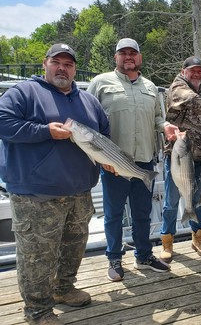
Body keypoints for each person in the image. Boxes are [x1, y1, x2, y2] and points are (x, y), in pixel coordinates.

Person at [0, 44, 109, 325]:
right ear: (45, 64)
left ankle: (63, 289)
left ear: (74, 68)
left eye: (69, 64)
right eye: (56, 62)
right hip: (36, 195)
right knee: (37, 257)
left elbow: (103, 135)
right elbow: (2, 122)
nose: (62, 68)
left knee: (74, 246)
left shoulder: (88, 100)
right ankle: (38, 312)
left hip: (79, 192)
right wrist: (44, 131)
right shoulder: (23, 93)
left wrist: (109, 160)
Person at [87, 38, 169, 282]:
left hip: (144, 160)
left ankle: (144, 254)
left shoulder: (151, 87)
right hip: (112, 164)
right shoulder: (100, 83)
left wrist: (168, 127)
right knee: (113, 215)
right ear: (116, 58)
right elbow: (88, 123)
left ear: (140, 57)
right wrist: (99, 157)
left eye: (133, 52)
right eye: (123, 53)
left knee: (142, 213)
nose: (128, 57)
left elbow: (157, 120)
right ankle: (114, 257)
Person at [160, 56, 201, 262]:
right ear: (183, 71)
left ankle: (198, 238)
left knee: (198, 199)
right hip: (179, 155)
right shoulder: (178, 87)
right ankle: (167, 242)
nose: (196, 73)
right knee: (171, 201)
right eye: (192, 70)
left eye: (199, 70)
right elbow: (194, 102)